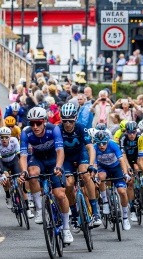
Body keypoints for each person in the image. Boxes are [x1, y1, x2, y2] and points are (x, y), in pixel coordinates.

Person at [19, 107, 73, 243]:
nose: (35, 127)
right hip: (38, 159)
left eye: (38, 123)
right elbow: (24, 156)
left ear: (44, 122)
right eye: (32, 123)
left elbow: (60, 151)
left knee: (60, 195)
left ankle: (66, 229)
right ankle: (39, 208)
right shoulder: (26, 133)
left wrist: (59, 167)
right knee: (31, 174)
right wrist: (24, 171)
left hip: (53, 159)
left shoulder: (53, 129)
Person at [58, 103, 101, 230]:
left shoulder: (81, 128)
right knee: (69, 184)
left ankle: (95, 211)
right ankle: (75, 215)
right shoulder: (58, 129)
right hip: (66, 158)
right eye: (65, 121)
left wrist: (92, 165)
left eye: (70, 121)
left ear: (75, 119)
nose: (67, 124)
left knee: (85, 175)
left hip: (80, 154)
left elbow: (90, 148)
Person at [93, 130, 132, 230]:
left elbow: (121, 160)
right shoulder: (94, 148)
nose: (101, 146)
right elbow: (95, 165)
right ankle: (105, 202)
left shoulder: (113, 145)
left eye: (104, 143)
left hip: (116, 168)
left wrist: (125, 173)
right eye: (99, 143)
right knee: (100, 177)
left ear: (107, 141)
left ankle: (125, 217)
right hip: (103, 168)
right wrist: (96, 176)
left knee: (122, 192)